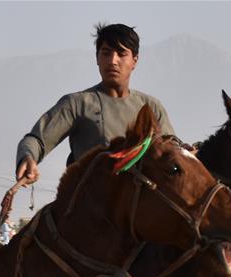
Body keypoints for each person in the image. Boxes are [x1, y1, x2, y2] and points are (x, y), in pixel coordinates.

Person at [15, 23, 174, 185]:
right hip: (89, 203)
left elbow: (174, 153)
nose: (113, 61)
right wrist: (27, 157)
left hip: (138, 204)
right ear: (97, 58)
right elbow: (36, 140)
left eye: (121, 54)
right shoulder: (77, 104)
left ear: (134, 60)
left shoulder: (151, 107)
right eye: (106, 53)